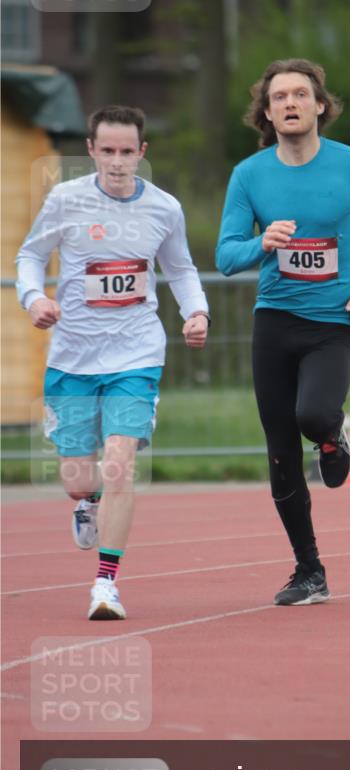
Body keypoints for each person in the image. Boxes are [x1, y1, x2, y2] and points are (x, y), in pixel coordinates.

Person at [216, 58, 350, 607]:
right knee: (280, 451)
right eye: (279, 97)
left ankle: (331, 435)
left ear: (320, 105)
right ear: (268, 112)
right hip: (274, 322)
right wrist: (263, 244)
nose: (291, 103)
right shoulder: (249, 176)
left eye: (301, 94)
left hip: (332, 323)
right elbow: (226, 255)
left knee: (313, 414)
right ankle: (309, 570)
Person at [16, 105, 210, 621]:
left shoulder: (164, 208)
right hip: (73, 357)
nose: (118, 161)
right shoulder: (66, 199)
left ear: (142, 153)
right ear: (92, 150)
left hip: (136, 353)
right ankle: (87, 502)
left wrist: (196, 312)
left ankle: (106, 585)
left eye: (128, 152)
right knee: (80, 479)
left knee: (120, 463)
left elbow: (182, 268)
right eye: (108, 151)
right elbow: (29, 257)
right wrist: (35, 299)